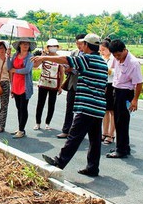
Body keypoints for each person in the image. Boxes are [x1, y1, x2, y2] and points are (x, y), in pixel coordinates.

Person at [36, 33, 108, 176]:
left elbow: (66, 59)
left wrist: (44, 57)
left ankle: (59, 162)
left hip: (87, 106)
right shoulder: (101, 62)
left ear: (87, 45)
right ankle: (93, 167)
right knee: (94, 140)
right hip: (98, 106)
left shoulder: (87, 59)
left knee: (74, 136)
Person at [107, 39, 143, 159]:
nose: (117, 57)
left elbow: (139, 83)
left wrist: (135, 100)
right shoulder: (116, 59)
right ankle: (123, 147)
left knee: (122, 121)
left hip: (126, 93)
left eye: (118, 54)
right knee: (118, 121)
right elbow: (110, 68)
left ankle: (121, 150)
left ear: (124, 50)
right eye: (114, 55)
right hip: (116, 90)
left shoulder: (133, 63)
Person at [57, 33, 86, 139]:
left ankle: (78, 133)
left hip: (83, 86)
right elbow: (67, 65)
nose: (79, 46)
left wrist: (73, 69)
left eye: (81, 44)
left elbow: (85, 70)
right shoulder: (74, 52)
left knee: (81, 111)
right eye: (77, 43)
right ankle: (66, 130)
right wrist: (67, 69)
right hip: (72, 84)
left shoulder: (89, 55)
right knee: (69, 108)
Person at [33, 39, 65, 131]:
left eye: (55, 46)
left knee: (51, 104)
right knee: (40, 103)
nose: (53, 48)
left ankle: (47, 123)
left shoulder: (60, 58)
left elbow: (61, 73)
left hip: (54, 84)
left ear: (57, 47)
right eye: (51, 46)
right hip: (43, 83)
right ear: (47, 47)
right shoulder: (44, 57)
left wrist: (60, 86)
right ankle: (38, 123)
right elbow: (35, 65)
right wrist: (42, 56)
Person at [8, 39, 35, 139]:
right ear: (19, 45)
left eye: (27, 44)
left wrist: (16, 70)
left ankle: (22, 130)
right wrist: (8, 56)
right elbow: (9, 67)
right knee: (18, 107)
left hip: (25, 86)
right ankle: (20, 127)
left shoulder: (30, 56)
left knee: (23, 108)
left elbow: (27, 70)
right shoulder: (15, 55)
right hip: (15, 84)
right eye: (24, 44)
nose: (25, 45)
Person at [100, 40, 116, 145]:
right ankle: (104, 132)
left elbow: (115, 72)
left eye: (104, 50)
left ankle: (111, 134)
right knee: (105, 111)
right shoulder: (102, 58)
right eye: (100, 50)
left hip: (112, 85)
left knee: (112, 111)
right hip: (103, 84)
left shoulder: (114, 59)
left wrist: (107, 70)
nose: (102, 52)